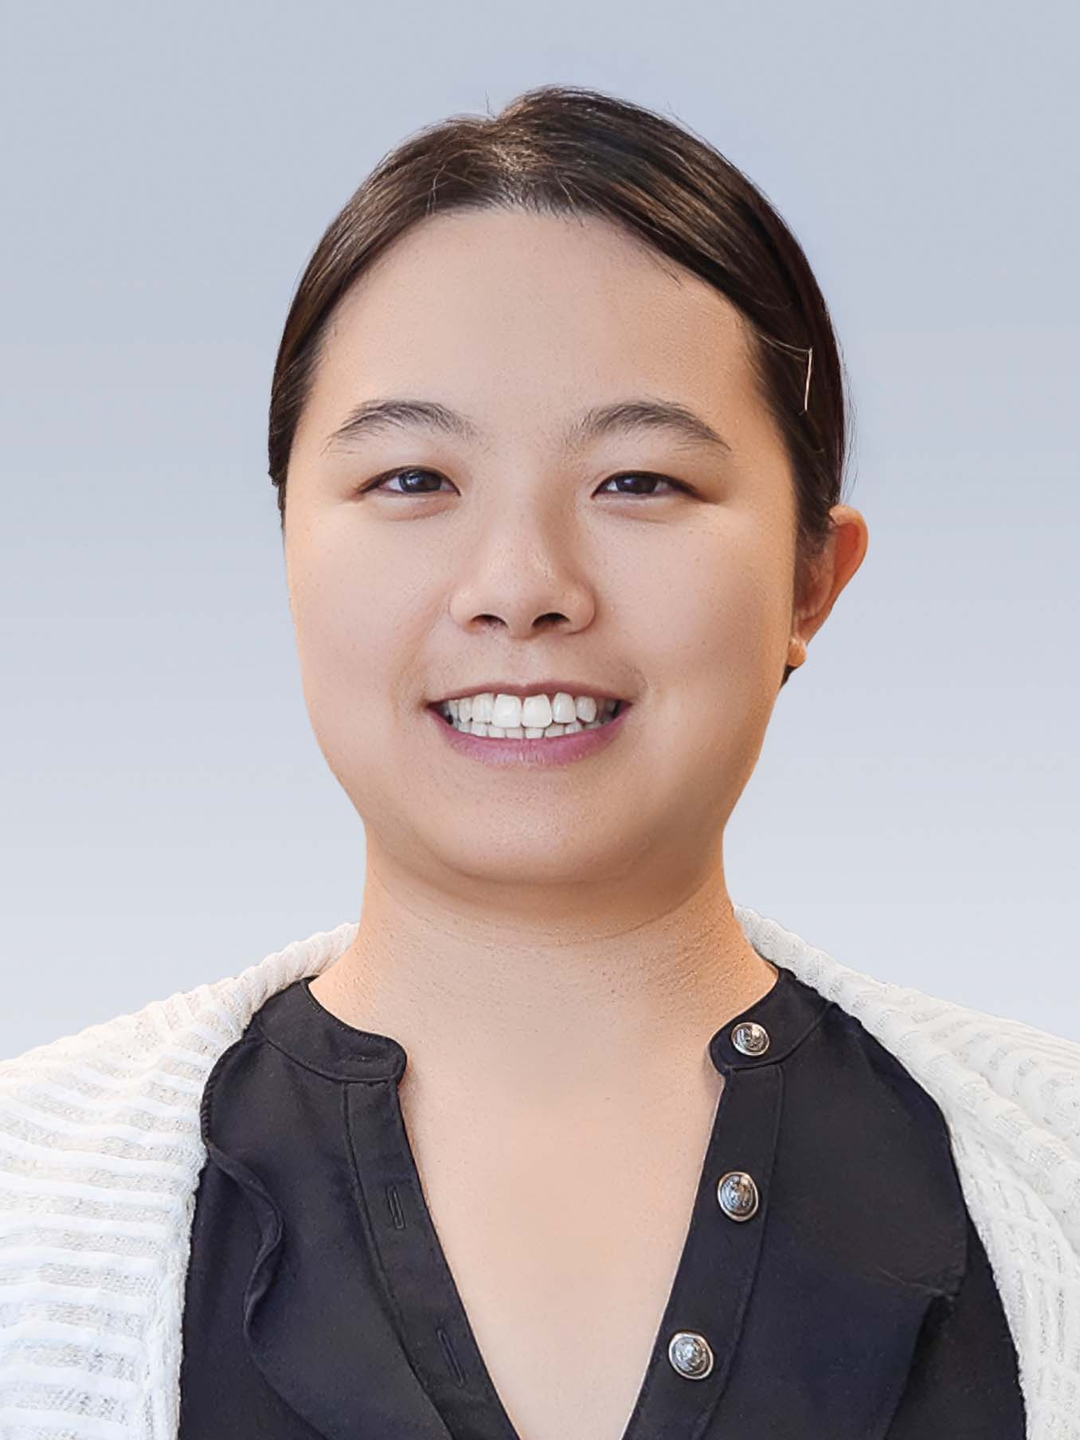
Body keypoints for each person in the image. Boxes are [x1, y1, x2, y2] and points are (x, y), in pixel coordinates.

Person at [1, 84, 1074, 1440]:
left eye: (639, 481)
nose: (521, 586)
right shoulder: (26, 1209)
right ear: (288, 552)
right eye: (412, 480)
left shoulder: (1052, 1169)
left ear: (814, 579)